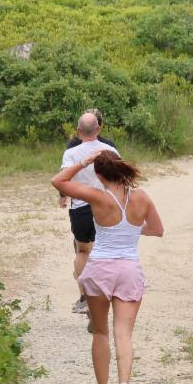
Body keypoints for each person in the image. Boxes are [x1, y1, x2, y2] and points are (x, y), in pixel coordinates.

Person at [52, 150, 164, 384]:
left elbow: (58, 182)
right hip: (128, 269)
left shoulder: (97, 196)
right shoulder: (141, 197)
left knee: (101, 333)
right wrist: (133, 230)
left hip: (100, 268)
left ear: (99, 174)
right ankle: (124, 383)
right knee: (123, 333)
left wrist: (83, 161)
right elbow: (157, 229)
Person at [61, 112, 122, 315]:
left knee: (82, 251)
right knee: (105, 252)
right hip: (106, 206)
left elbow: (64, 178)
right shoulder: (111, 150)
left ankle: (85, 297)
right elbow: (120, 179)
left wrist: (62, 195)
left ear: (78, 131)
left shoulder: (71, 153)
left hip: (81, 207)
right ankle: (104, 296)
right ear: (98, 129)